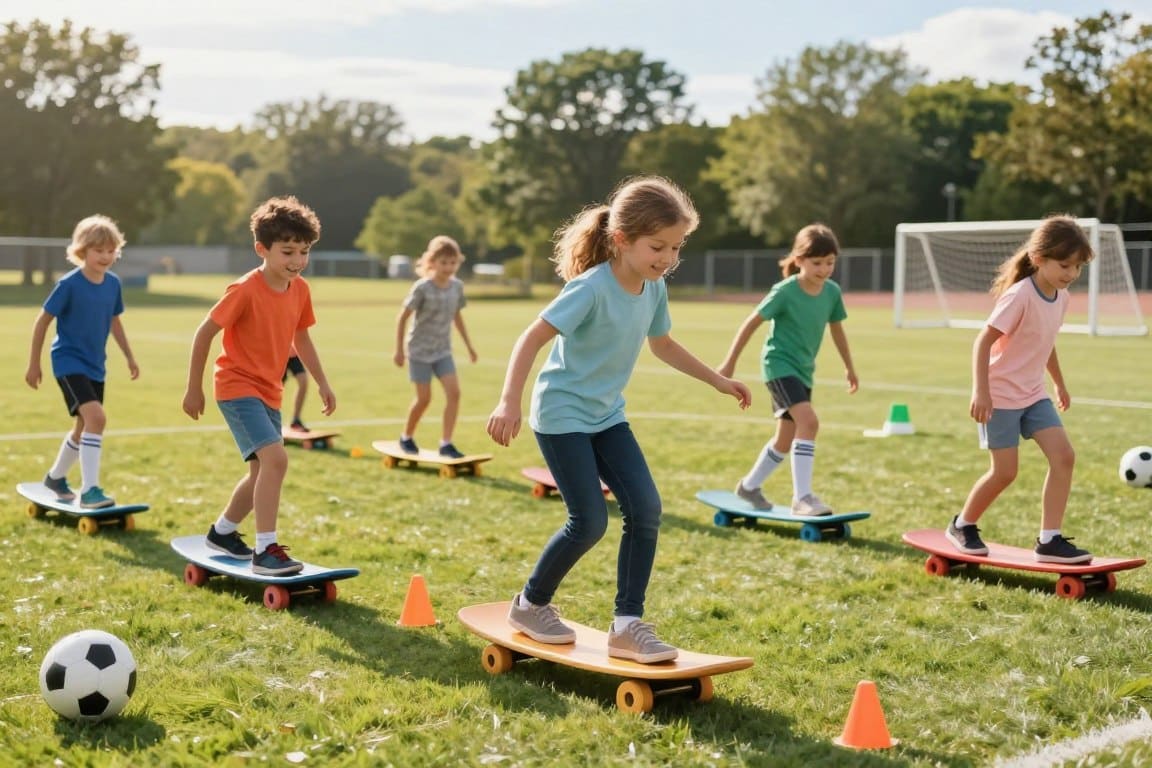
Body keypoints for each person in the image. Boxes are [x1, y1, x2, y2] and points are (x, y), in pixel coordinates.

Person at [486, 176, 751, 663]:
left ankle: (628, 626)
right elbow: (531, 338)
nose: (667, 259)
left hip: (607, 416)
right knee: (587, 522)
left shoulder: (653, 290)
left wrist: (718, 380)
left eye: (675, 248)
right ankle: (529, 605)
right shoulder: (590, 288)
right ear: (622, 239)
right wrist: (509, 401)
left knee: (646, 509)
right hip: (562, 415)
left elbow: (663, 344)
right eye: (658, 246)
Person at [182, 196, 335, 576]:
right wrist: (193, 389)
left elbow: (302, 338)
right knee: (276, 460)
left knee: (260, 471)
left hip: (270, 390)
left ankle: (222, 533)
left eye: (304, 251)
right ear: (261, 249)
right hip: (236, 387)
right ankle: (265, 550)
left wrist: (322, 382)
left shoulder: (299, 290)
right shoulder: (245, 289)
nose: (297, 261)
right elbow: (205, 334)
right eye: (288, 252)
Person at [945, 215, 1094, 564]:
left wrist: (1058, 382)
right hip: (1000, 397)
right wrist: (980, 390)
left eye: (1077, 267)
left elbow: (1046, 341)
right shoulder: (1019, 295)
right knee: (1005, 472)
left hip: (1033, 394)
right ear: (1039, 258)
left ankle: (1049, 540)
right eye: (1064, 265)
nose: (1070, 274)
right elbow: (983, 342)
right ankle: (962, 525)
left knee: (1064, 457)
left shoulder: (1062, 297)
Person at [717, 223, 858, 517]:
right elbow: (751, 323)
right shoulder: (784, 291)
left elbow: (838, 332)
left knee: (785, 437)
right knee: (809, 422)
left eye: (830, 262)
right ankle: (802, 497)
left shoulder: (832, 292)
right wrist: (730, 362)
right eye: (816, 263)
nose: (824, 269)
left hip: (804, 371)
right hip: (778, 366)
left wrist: (849, 367)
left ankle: (749, 486)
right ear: (799, 260)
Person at [25, 215, 140, 509]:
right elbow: (42, 321)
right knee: (97, 419)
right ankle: (90, 491)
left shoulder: (113, 284)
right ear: (82, 252)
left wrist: (129, 357)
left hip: (95, 365)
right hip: (68, 361)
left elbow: (115, 322)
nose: (105, 256)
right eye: (97, 250)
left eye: (110, 250)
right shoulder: (69, 285)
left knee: (83, 426)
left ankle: (55, 477)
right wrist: (33, 364)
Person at [393, 235, 477, 459]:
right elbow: (402, 317)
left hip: (442, 351)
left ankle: (446, 443)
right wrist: (399, 350)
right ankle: (406, 437)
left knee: (455, 393)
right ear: (432, 262)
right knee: (424, 399)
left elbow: (456, 317)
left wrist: (469, 347)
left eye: (452, 263)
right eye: (443, 262)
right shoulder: (422, 287)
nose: (448, 267)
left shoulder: (457, 287)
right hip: (419, 352)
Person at [282, 345, 309, 432]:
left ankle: (296, 420)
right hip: (278, 353)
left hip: (293, 353)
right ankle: (270, 421)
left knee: (303, 381)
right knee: (276, 389)